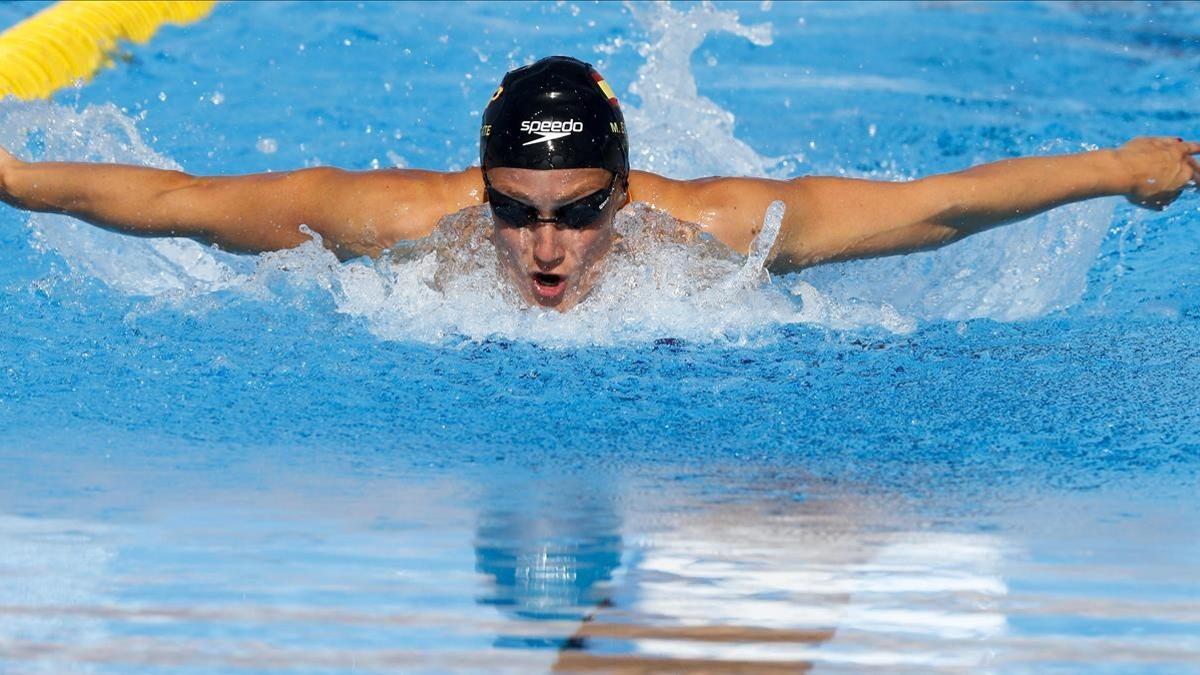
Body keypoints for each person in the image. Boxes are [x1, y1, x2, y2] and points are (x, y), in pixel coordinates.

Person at [0, 56, 1196, 311]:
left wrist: (1120, 168)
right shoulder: (402, 228)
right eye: (515, 213)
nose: (546, 249)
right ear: (482, 190)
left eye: (578, 212)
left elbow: (942, 205)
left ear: (622, 194)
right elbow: (174, 202)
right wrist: (10, 177)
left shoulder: (713, 231)